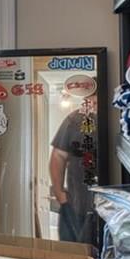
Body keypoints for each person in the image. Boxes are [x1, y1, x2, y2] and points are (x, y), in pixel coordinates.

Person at [49, 95, 99, 245]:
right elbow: (58, 156)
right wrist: (59, 193)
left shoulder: (121, 118)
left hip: (114, 206)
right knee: (75, 252)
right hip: (76, 203)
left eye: (97, 102)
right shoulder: (75, 119)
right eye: (91, 102)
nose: (93, 106)